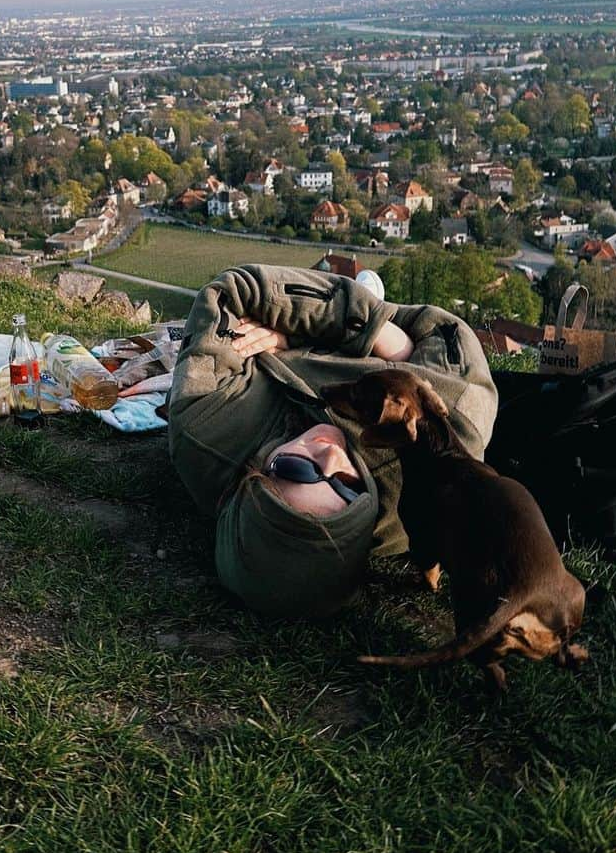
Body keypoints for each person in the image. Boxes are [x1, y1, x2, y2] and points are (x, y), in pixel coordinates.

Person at [167, 264, 498, 619]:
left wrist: (294, 332)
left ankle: (361, 299)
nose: (330, 452)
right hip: (379, 352)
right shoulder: (429, 460)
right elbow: (446, 336)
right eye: (346, 486)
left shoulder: (205, 425)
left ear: (253, 474)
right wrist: (376, 333)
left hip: (316, 349)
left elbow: (231, 293)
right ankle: (367, 299)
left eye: (297, 468)